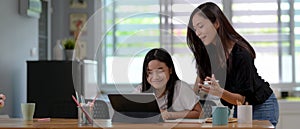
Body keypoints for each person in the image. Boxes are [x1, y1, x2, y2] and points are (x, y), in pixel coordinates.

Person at [186, 2, 279, 126]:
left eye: (200, 26)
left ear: (217, 23)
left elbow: (243, 98)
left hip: (261, 105)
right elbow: (199, 86)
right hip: (240, 107)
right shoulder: (209, 53)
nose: (197, 33)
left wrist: (219, 92)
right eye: (195, 28)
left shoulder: (241, 53)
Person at [134, 48, 201, 120]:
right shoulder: (140, 89)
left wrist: (170, 115)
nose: (155, 77)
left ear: (170, 70)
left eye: (160, 71)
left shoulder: (180, 87)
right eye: (150, 72)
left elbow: (199, 112)